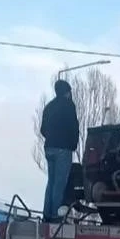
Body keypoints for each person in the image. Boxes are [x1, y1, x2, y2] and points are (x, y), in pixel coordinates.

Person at [40, 78, 79, 222]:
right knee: (60, 183)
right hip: (63, 149)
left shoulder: (49, 107)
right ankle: (56, 215)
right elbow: (74, 127)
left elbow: (43, 129)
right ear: (66, 92)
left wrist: (51, 137)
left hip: (49, 147)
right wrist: (72, 144)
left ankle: (47, 214)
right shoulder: (69, 106)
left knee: (51, 181)